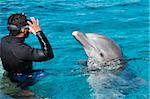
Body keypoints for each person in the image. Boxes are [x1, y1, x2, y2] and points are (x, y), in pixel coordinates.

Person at [0, 13, 54, 96]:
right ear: (23, 30)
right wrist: (38, 32)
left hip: (10, 75)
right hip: (22, 80)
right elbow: (48, 54)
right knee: (56, 74)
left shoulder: (3, 41)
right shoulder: (21, 50)